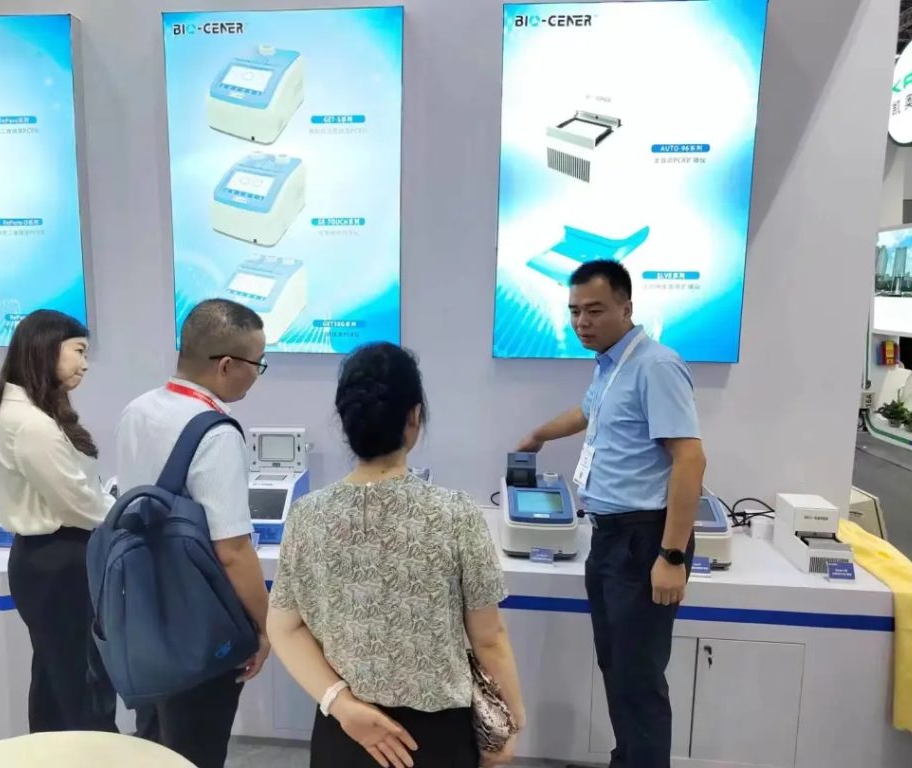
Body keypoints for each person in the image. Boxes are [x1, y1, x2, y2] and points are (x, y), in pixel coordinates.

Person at [267, 342, 526, 768]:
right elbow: (489, 638)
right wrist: (510, 723)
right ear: (414, 417)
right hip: (437, 740)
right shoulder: (455, 514)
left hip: (345, 733)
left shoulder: (307, 515)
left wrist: (340, 702)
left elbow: (283, 626)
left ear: (345, 421)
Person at [518, 260, 705, 768]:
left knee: (639, 680)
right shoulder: (610, 365)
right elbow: (588, 413)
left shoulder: (656, 366)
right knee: (617, 669)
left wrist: (671, 555)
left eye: (595, 310)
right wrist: (538, 435)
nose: (582, 322)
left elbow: (690, 459)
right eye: (575, 311)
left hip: (644, 541)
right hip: (608, 538)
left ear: (627, 307)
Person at [115, 299, 270, 768]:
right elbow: (232, 550)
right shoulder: (216, 433)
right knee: (196, 748)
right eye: (257, 364)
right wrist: (266, 627)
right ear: (227, 365)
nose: (256, 376)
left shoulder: (137, 409)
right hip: (197, 618)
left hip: (141, 606)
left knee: (151, 742)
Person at [0, 309, 116, 734]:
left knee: (56, 678)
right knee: (79, 680)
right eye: (78, 351)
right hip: (60, 561)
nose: (85, 364)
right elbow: (77, 502)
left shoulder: (25, 410)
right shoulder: (32, 424)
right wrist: (121, 514)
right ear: (46, 349)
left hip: (47, 561)